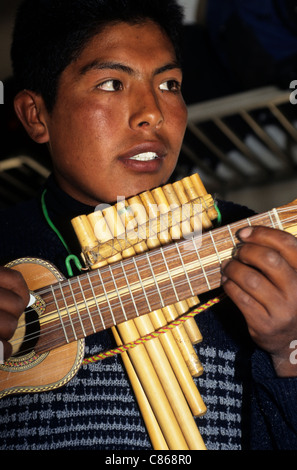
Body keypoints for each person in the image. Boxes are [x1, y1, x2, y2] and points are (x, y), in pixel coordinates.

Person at [0, 0, 297, 451]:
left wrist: (288, 350)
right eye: (112, 83)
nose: (152, 113)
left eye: (170, 83)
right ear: (36, 116)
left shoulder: (261, 245)